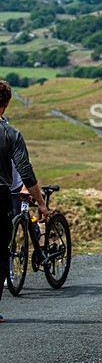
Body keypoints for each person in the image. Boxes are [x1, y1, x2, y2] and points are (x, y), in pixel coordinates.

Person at [0, 80, 49, 321]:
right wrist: (40, 202)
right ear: (7, 104)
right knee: (1, 251)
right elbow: (26, 173)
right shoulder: (11, 134)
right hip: (1, 195)